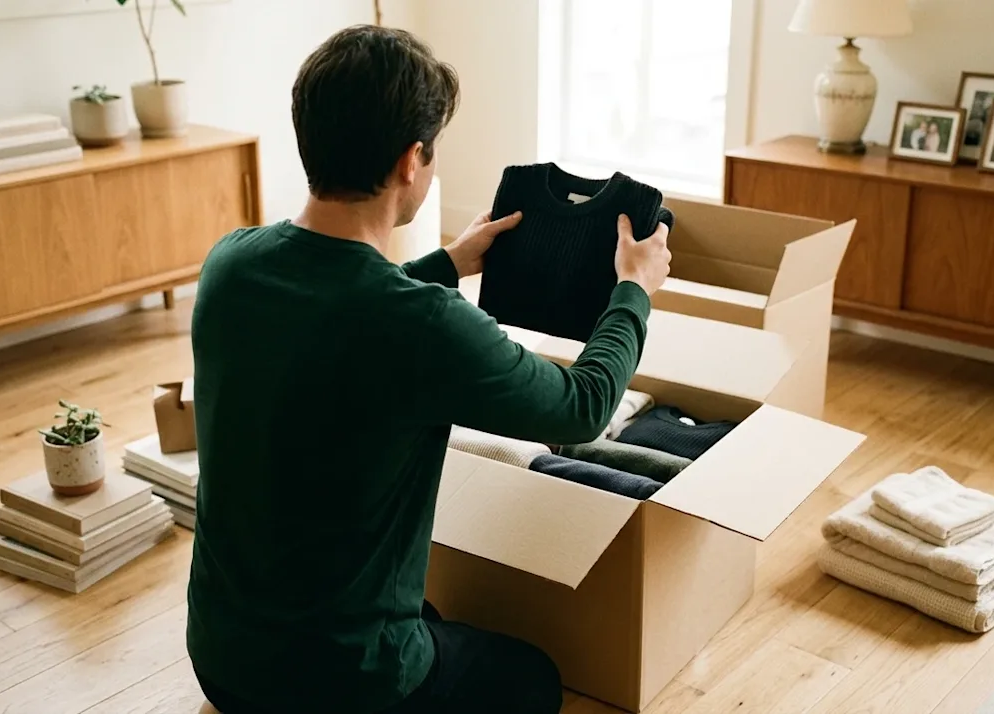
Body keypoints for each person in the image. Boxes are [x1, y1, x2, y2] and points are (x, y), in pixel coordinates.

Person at [185, 24, 672, 714]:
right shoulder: (422, 323)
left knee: (430, 614)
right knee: (533, 677)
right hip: (346, 689)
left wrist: (448, 262)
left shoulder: (229, 264)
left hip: (221, 661)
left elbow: (337, 318)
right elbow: (584, 404)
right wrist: (634, 289)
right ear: (412, 160)